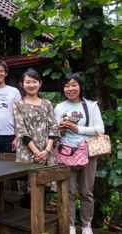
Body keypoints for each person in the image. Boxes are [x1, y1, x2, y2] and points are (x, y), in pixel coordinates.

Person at [54, 73, 104, 234]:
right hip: (66, 153)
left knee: (86, 192)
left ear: (80, 86)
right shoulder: (60, 107)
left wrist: (77, 129)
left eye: (74, 85)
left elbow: (100, 130)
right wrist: (60, 129)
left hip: (88, 153)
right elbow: (55, 132)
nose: (70, 89)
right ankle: (70, 225)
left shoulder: (90, 106)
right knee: (68, 192)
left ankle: (86, 225)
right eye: (67, 85)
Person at [13, 68, 58, 165]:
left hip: (47, 151)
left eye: (34, 82)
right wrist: (37, 152)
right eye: (28, 82)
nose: (31, 85)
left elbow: (54, 128)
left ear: (40, 83)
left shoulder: (47, 104)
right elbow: (21, 131)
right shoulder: (18, 105)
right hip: (26, 152)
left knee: (48, 179)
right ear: (22, 84)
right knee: (27, 179)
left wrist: (46, 151)